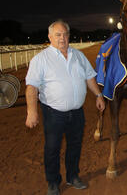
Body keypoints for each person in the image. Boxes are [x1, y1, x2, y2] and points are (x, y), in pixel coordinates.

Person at [25, 20, 105, 195]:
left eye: (65, 34)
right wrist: (31, 111)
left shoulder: (78, 55)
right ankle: (53, 182)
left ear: (69, 36)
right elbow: (31, 87)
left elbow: (90, 77)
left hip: (77, 112)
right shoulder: (40, 59)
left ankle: (73, 176)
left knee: (75, 145)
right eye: (58, 35)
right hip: (54, 113)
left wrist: (98, 95)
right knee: (52, 148)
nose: (62, 38)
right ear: (50, 37)